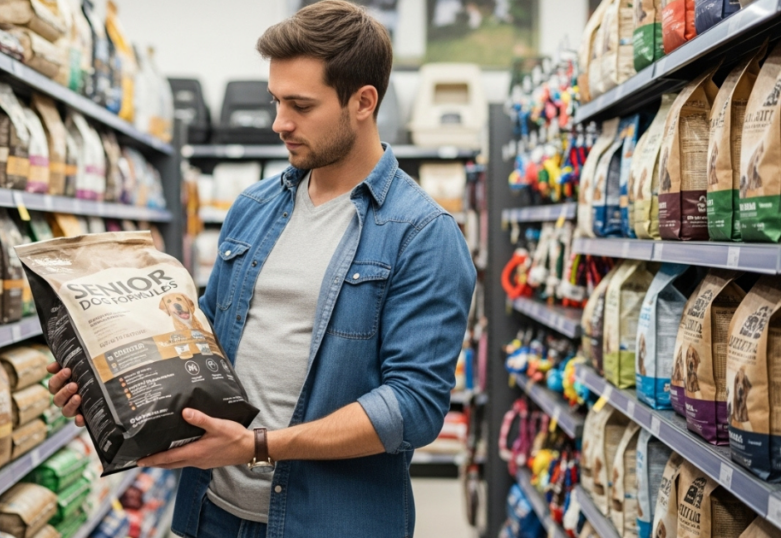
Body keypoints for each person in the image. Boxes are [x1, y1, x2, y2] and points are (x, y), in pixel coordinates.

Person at [45, 1, 476, 536]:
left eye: (300, 104)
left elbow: (413, 405)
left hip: (329, 522)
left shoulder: (423, 234)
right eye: (275, 100)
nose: (279, 123)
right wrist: (111, 386)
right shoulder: (252, 207)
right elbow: (198, 342)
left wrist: (258, 446)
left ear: (364, 101)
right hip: (214, 513)